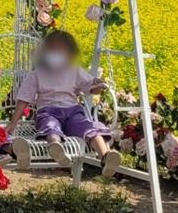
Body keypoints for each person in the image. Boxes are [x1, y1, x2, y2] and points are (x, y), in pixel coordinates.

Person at [7, 31, 121, 177]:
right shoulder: (37, 74)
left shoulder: (74, 71)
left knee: (86, 127)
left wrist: (98, 85)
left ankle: (106, 156)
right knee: (50, 125)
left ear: (70, 54)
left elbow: (90, 86)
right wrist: (13, 122)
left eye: (61, 51)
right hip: (48, 110)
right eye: (52, 50)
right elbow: (24, 98)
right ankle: (56, 147)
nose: (57, 55)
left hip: (73, 111)